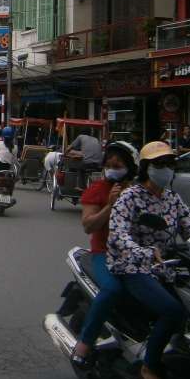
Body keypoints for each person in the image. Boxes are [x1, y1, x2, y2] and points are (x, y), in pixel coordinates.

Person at [107, 140, 190, 379]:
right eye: (160, 164)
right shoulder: (130, 197)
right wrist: (143, 252)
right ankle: (148, 367)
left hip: (165, 267)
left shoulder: (173, 199)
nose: (166, 169)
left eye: (170, 164)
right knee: (172, 311)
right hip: (132, 266)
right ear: (147, 168)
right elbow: (118, 235)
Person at [69, 141, 139, 366]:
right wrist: (110, 205)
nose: (112, 167)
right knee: (112, 289)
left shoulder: (141, 192)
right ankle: (85, 342)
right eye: (109, 164)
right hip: (104, 254)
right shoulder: (98, 190)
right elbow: (88, 226)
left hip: (140, 256)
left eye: (117, 164)